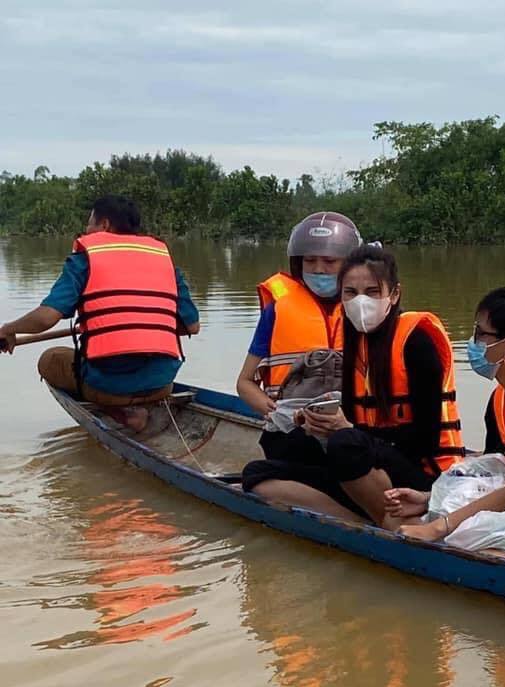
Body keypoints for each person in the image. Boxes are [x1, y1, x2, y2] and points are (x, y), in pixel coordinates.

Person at [241, 245, 464, 525]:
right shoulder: (357, 343)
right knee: (261, 468)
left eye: (372, 292)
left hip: (425, 474)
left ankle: (394, 520)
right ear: (341, 295)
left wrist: (350, 432)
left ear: (394, 294)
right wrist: (315, 423)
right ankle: (365, 522)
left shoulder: (416, 341)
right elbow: (352, 418)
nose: (361, 302)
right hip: (372, 463)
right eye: (351, 293)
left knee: (345, 444)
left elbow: (425, 441)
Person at [388, 285, 505, 541]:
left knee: (455, 536)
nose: (472, 342)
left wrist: (439, 527)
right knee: (401, 517)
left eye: (480, 333)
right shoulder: (500, 398)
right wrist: (429, 499)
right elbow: (497, 470)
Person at [0, 195, 199, 431]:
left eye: (89, 222)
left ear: (104, 225)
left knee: (50, 359)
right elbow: (192, 326)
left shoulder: (84, 259)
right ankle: (144, 406)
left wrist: (7, 329)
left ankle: (118, 412)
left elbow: (46, 317)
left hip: (109, 388)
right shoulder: (164, 260)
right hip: (162, 383)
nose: (86, 229)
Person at [235, 210, 362, 460]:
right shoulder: (277, 310)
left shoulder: (364, 308)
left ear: (349, 263)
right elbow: (245, 382)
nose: (319, 269)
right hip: (292, 431)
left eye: (329, 261)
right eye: (310, 260)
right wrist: (273, 412)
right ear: (298, 262)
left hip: (350, 427)